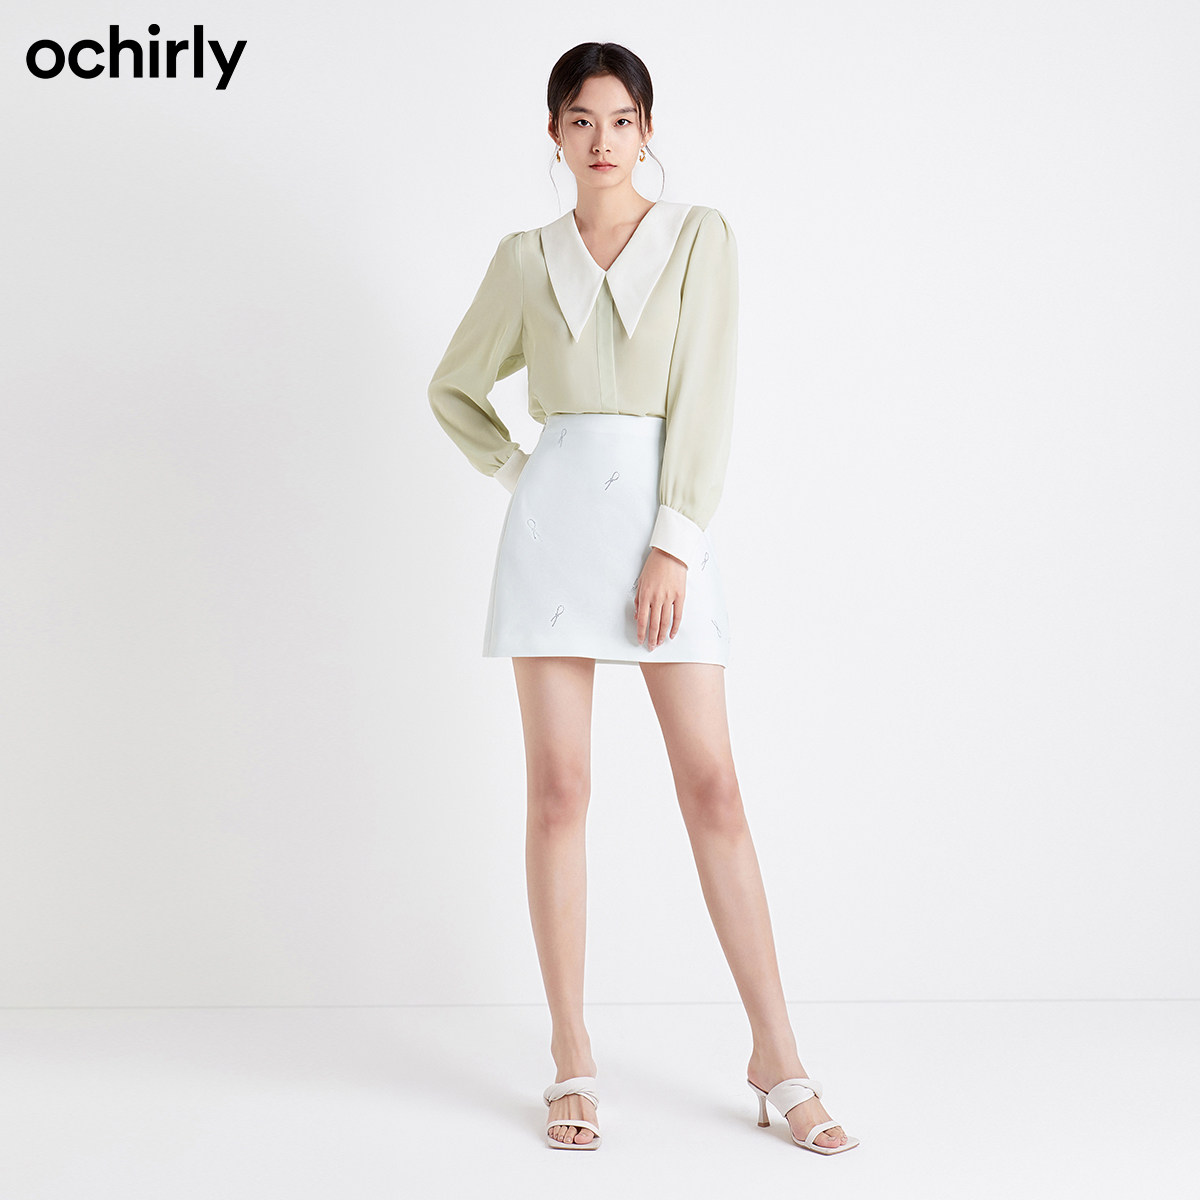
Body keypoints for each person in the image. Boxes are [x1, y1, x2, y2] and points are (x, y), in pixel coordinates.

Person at [427, 41, 859, 1155]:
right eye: (581, 120)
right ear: (555, 134)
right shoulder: (524, 259)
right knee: (559, 792)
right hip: (552, 542)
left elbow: (707, 396)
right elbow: (454, 388)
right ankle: (571, 1053)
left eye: (621, 120)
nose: (603, 140)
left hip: (664, 537)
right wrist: (524, 477)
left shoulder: (700, 238)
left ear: (648, 128)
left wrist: (674, 542)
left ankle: (777, 1056)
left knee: (714, 787)